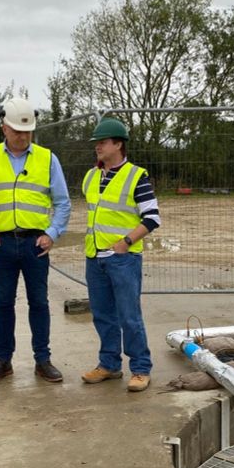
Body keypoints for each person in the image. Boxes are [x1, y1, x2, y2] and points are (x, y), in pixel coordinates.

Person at [0, 97, 71, 384]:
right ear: (4, 129)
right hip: (1, 244)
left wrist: (51, 234)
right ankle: (3, 361)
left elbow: (63, 202)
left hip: (35, 245)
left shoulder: (48, 159)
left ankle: (43, 360)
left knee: (39, 303)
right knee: (3, 303)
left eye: (27, 132)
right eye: (17, 131)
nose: (23, 136)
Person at [80, 118, 161, 392]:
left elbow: (152, 217)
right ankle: (109, 365)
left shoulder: (137, 176)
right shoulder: (91, 176)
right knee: (102, 315)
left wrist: (126, 242)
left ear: (118, 144)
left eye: (102, 142)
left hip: (123, 260)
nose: (97, 147)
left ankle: (140, 368)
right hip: (95, 257)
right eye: (96, 144)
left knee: (129, 317)